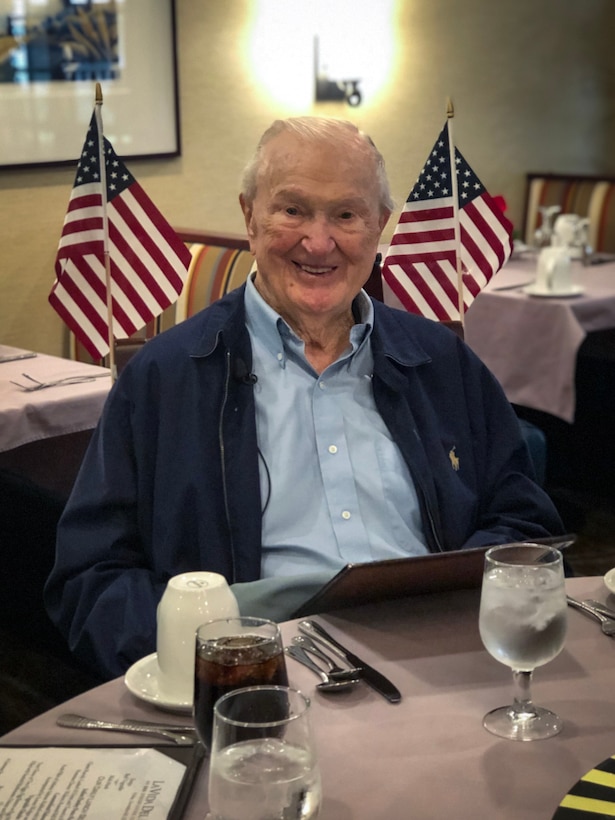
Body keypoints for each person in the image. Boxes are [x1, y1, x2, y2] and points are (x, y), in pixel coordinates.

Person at [44, 117, 564, 680]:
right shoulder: (164, 380)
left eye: (346, 214)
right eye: (292, 210)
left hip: (442, 659)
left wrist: (463, 610)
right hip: (252, 682)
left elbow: (522, 522)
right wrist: (203, 662)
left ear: (380, 226)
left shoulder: (442, 362)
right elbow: (91, 577)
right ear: (249, 215)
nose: (319, 243)